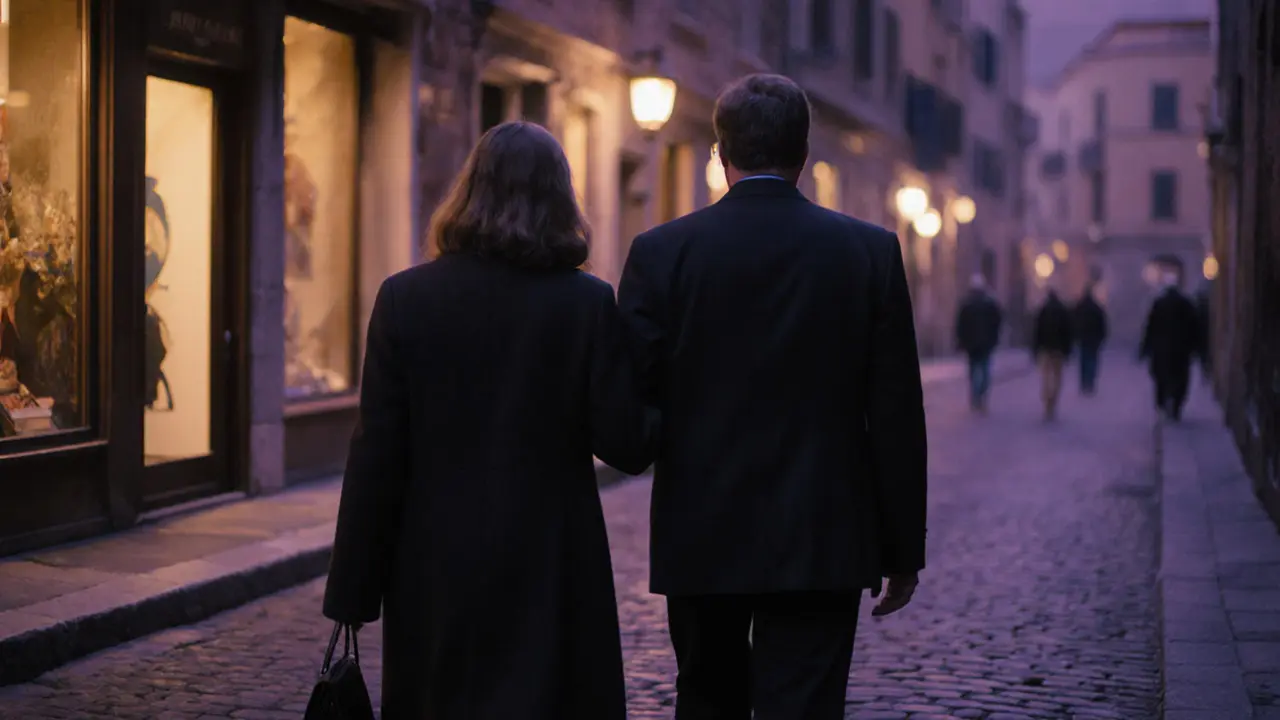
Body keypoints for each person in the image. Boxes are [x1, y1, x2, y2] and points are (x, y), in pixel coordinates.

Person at [322, 122, 657, 719]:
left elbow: (377, 452)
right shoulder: (584, 304)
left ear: (468, 191)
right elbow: (626, 443)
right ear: (561, 198)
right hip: (552, 559)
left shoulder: (406, 298)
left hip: (433, 559)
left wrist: (353, 590)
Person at [618, 74, 927, 720]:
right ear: (804, 154)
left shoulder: (661, 253)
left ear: (719, 152)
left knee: (708, 698)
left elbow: (633, 398)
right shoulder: (869, 253)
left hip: (703, 527)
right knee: (807, 705)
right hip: (824, 530)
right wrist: (901, 548)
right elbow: (895, 411)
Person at [1140, 271, 1203, 421]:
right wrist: (1196, 347)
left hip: (1161, 349)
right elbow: (1194, 327)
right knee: (1180, 378)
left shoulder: (1159, 303)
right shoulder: (1186, 304)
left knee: (1161, 377)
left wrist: (1145, 347)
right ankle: (1176, 406)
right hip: (1181, 350)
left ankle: (1162, 404)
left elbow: (1151, 327)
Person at [954, 272, 1003, 413]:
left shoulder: (966, 305)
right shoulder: (990, 304)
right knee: (984, 370)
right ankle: (980, 395)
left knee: (973, 370)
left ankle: (976, 395)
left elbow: (960, 325)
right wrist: (994, 338)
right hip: (986, 343)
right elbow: (997, 323)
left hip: (971, 344)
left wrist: (960, 341)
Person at [1031, 288, 1074, 420]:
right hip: (1058, 349)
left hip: (1045, 348)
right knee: (1057, 377)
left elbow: (1037, 331)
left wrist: (1035, 348)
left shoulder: (1043, 310)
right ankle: (1053, 400)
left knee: (1046, 377)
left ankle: (1047, 400)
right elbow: (1068, 332)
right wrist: (1067, 350)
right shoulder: (1063, 311)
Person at [1072, 284, 1108, 395]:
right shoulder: (1096, 308)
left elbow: (1073, 322)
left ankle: (1084, 383)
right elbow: (1102, 323)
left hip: (1083, 338)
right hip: (1094, 339)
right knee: (1092, 360)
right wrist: (1102, 337)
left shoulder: (1079, 307)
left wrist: (1075, 336)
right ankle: (1090, 382)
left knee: (1083, 360)